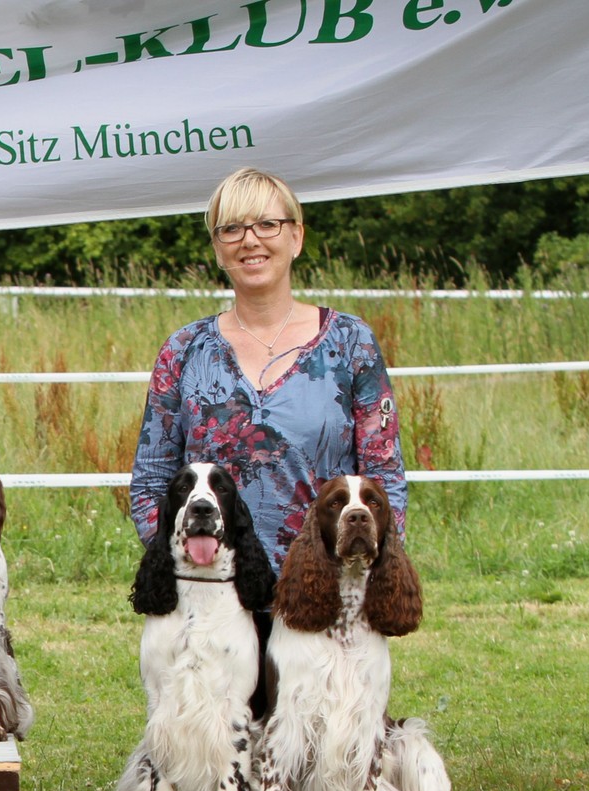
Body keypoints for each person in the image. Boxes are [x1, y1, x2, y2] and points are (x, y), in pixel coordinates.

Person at [129, 166, 408, 572]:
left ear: (297, 237)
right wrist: (186, 566)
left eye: (267, 224)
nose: (250, 240)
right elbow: (151, 482)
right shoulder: (183, 350)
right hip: (216, 596)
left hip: (324, 592)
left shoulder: (351, 342)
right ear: (217, 247)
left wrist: (366, 571)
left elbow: (385, 479)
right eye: (232, 229)